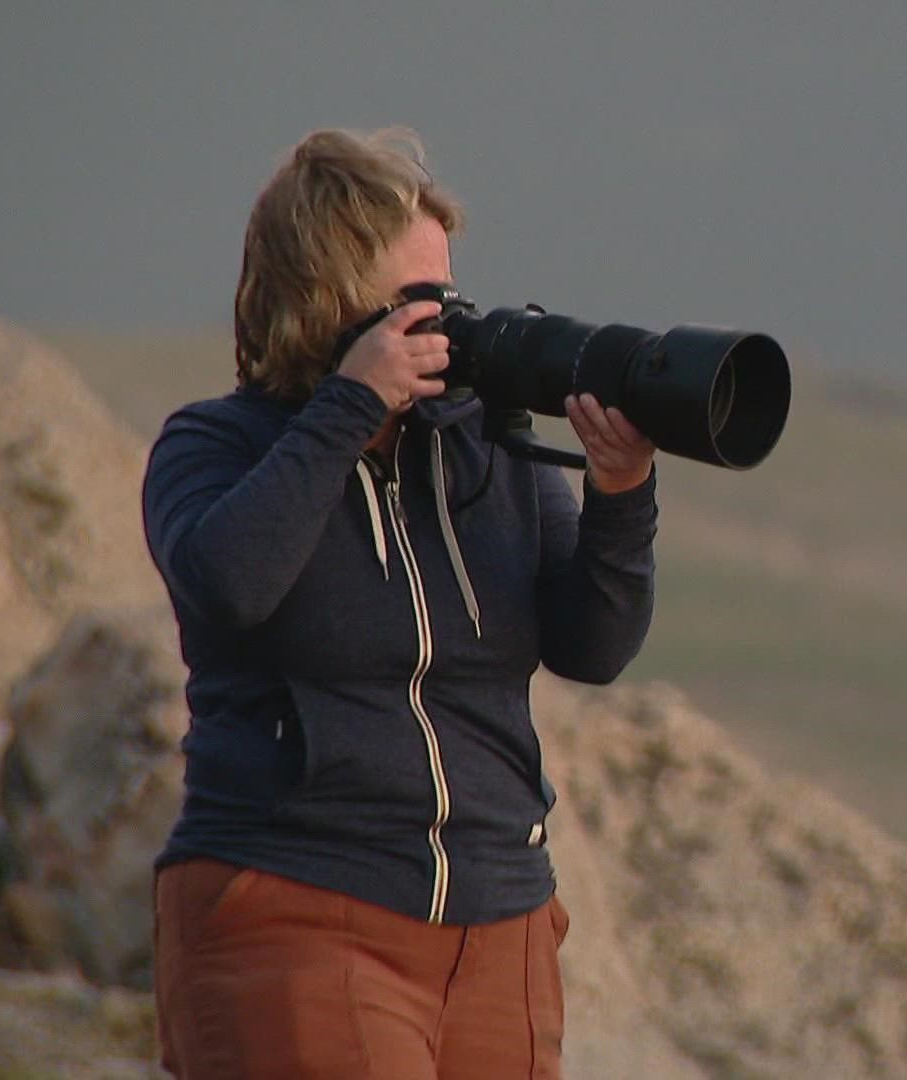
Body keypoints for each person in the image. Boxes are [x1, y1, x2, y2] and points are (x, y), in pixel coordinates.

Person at [141, 128, 658, 1078]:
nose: (449, 326)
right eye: (418, 304)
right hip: (297, 907)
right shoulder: (216, 447)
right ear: (329, 305)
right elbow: (227, 585)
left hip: (502, 926)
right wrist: (348, 411)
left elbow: (593, 646)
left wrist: (621, 497)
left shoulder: (481, 449)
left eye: (451, 296)